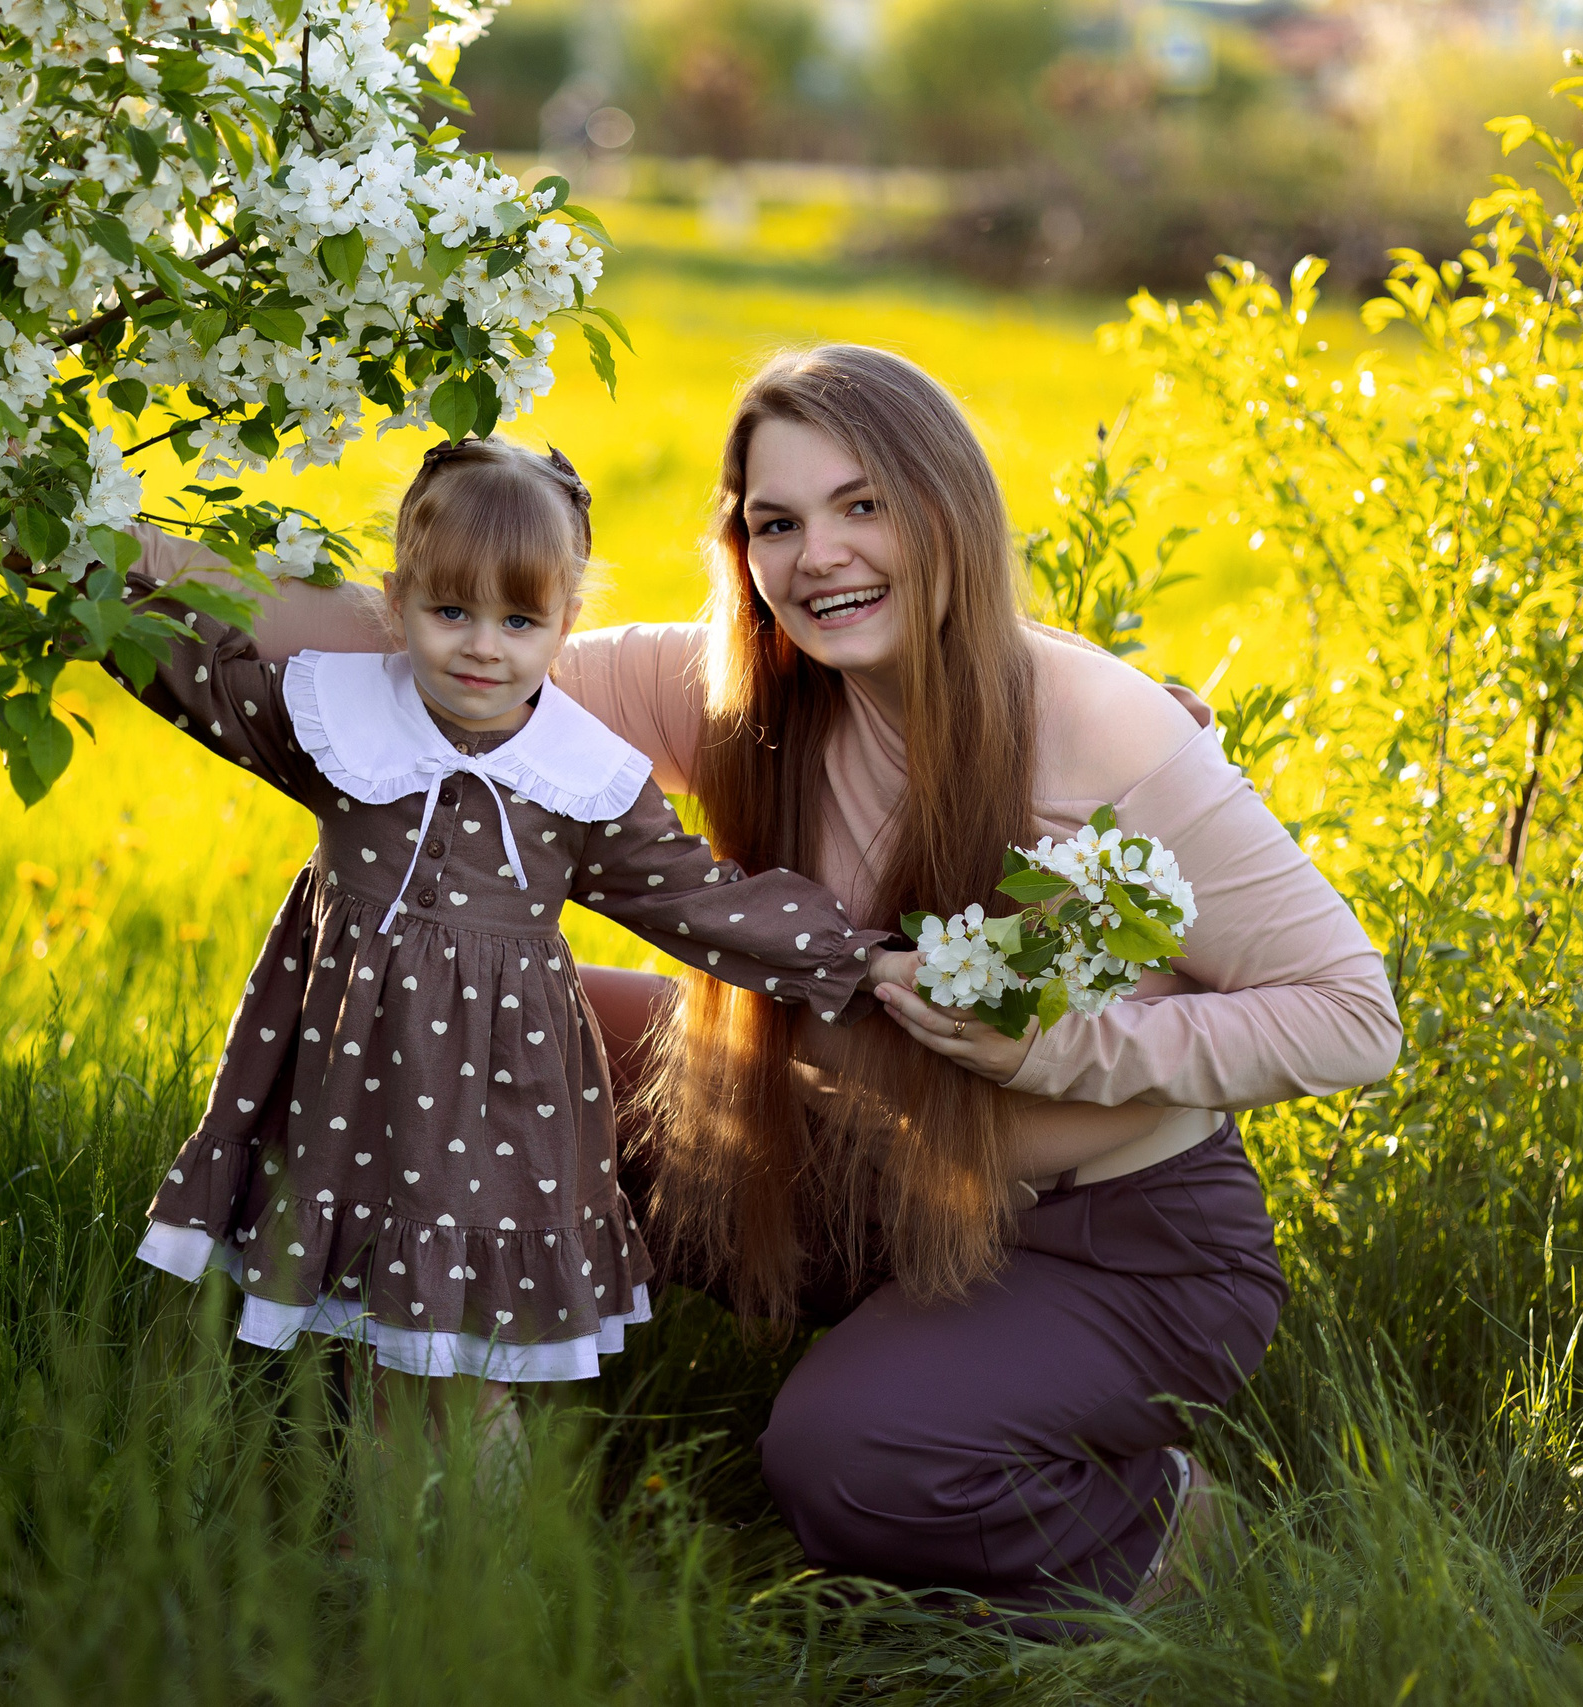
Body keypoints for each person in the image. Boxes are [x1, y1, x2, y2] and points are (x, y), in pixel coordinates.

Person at [127, 346, 1400, 1620]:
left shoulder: (1102, 723)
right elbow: (431, 645)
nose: (818, 556)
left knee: (847, 1461)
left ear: (944, 507)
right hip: (844, 1175)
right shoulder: (737, 686)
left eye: (862, 507)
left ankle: (1159, 1523)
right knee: (489, 1032)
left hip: (1104, 1240)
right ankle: (441, 1459)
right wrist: (90, 546)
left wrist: (1058, 1051)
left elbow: (1351, 1014)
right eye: (775, 522)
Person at [115, 436, 903, 1437]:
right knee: (366, 1315)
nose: (483, 646)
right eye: (451, 612)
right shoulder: (337, 721)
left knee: (460, 1322)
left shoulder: (578, 776)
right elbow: (191, 675)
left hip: (492, 1088)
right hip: (341, 1073)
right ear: (397, 601)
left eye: (520, 620)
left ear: (567, 620)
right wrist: (71, 559)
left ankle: (467, 1518)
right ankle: (387, 1507)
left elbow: (691, 899)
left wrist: (860, 959)